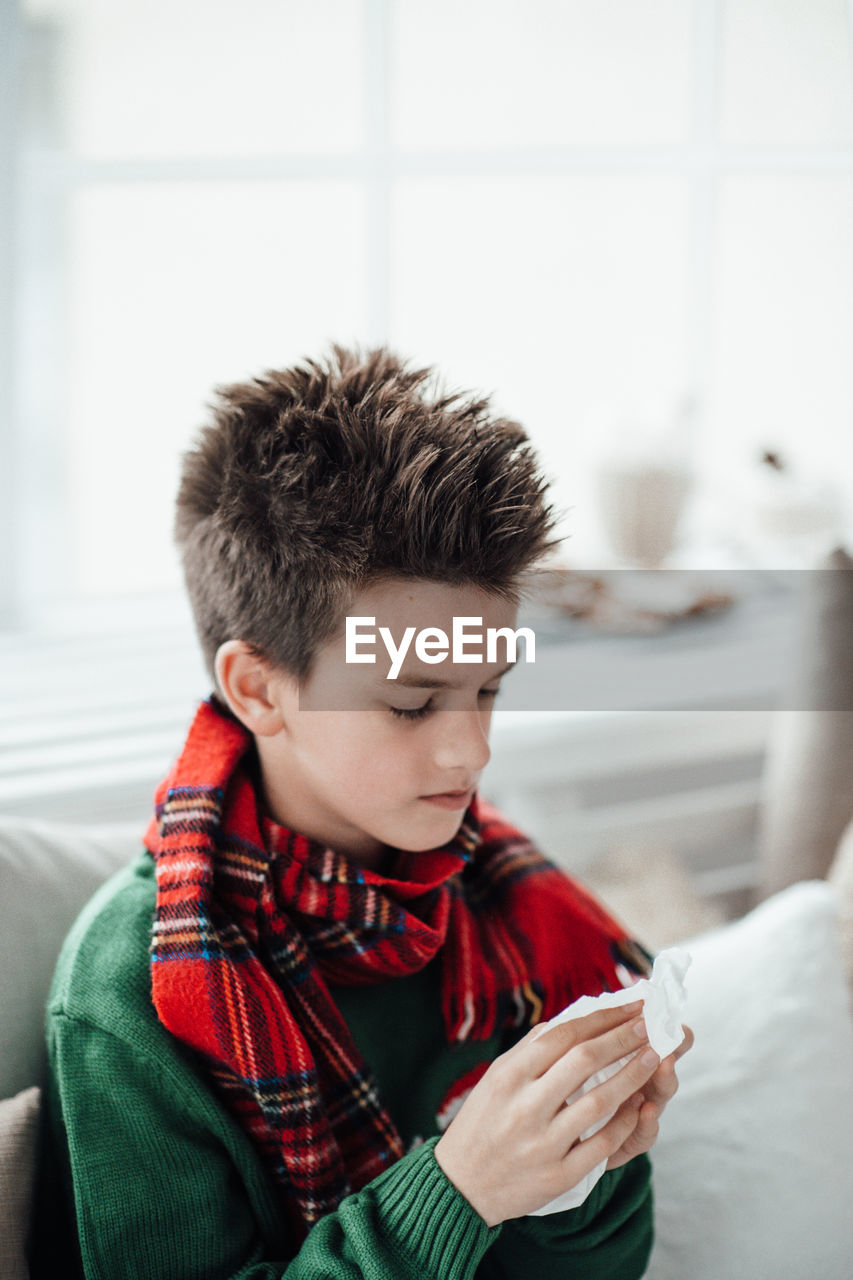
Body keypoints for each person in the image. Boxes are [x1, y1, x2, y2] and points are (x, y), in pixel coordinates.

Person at [34, 345, 692, 1279]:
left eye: (489, 691)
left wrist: (588, 1167)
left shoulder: (518, 918)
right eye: (413, 703)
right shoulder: (130, 1000)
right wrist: (459, 1192)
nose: (472, 750)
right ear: (259, 689)